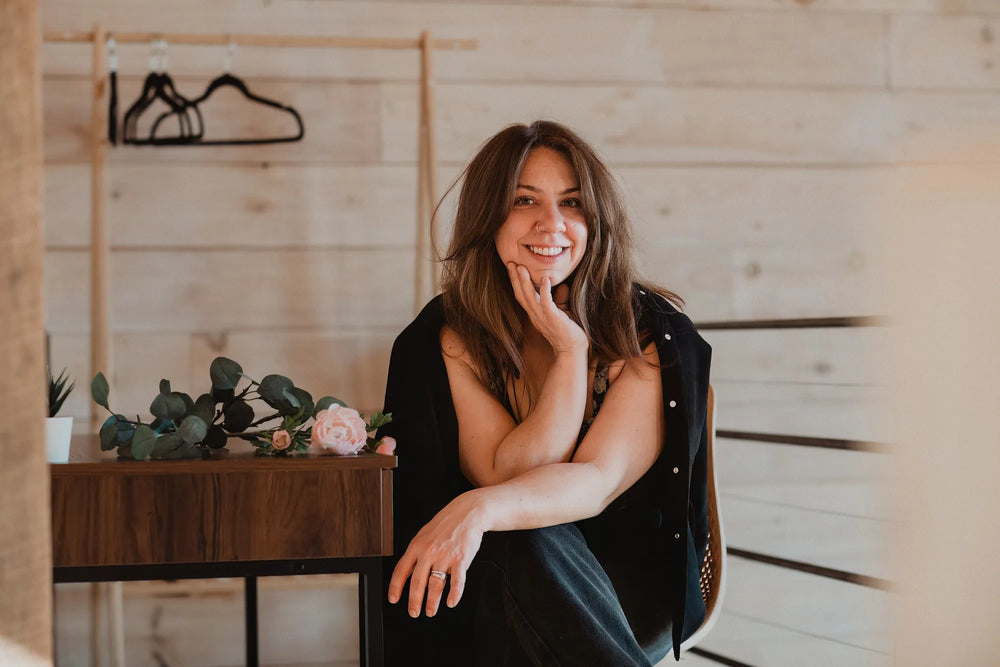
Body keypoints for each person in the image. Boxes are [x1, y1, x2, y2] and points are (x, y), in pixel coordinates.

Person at [376, 120, 712, 666]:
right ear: (489, 217)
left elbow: (595, 483)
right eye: (524, 200)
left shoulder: (647, 332)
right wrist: (566, 360)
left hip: (623, 590)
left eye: (573, 203)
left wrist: (477, 508)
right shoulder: (452, 333)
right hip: (491, 582)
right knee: (520, 535)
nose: (551, 223)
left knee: (518, 533)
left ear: (596, 220)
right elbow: (511, 477)